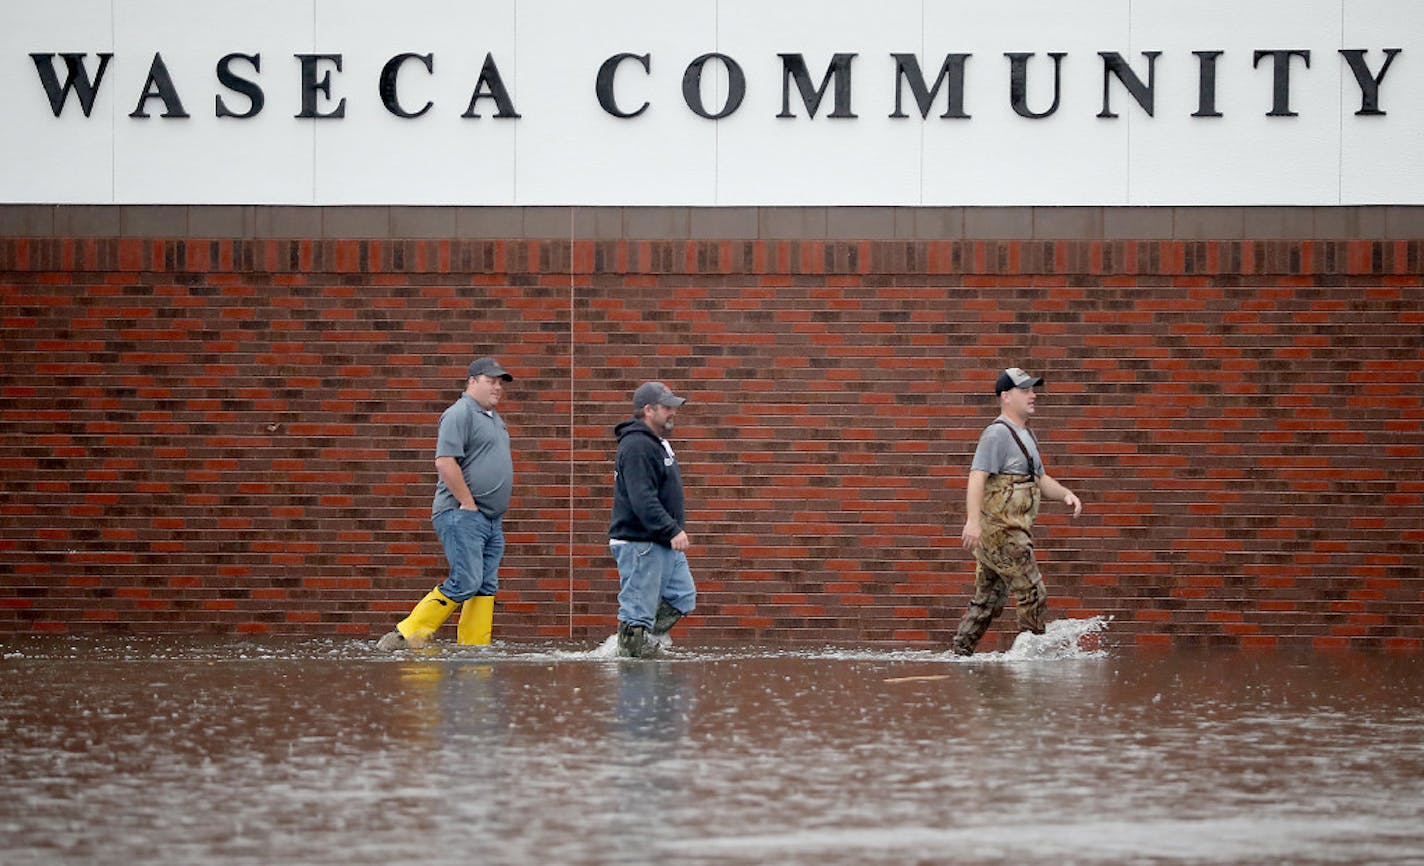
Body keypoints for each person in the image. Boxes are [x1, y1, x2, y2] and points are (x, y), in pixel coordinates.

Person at [377, 357, 515, 650]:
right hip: (462, 514)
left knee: (485, 586)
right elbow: (444, 461)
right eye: (491, 381)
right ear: (472, 381)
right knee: (466, 580)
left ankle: (475, 647)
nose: (497, 388)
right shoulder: (459, 413)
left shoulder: (494, 419)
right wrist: (466, 502)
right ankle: (406, 634)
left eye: (500, 383)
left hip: (490, 519)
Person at [951, 367, 1083, 656]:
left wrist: (1065, 495)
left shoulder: (1026, 435)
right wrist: (972, 522)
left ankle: (959, 655)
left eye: (1033, 390)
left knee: (988, 601)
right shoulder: (997, 434)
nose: (1033, 395)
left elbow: (1040, 480)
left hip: (1005, 534)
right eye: (1026, 390)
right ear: (1006, 396)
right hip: (1003, 533)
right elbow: (977, 476)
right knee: (1032, 592)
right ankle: (1032, 659)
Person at [608, 382, 697, 658]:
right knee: (637, 613)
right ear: (648, 410)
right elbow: (642, 498)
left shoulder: (657, 443)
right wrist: (671, 529)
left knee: (682, 596)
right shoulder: (636, 446)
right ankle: (629, 661)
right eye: (667, 407)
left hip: (661, 541)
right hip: (641, 542)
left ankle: (642, 643)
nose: (673, 412)